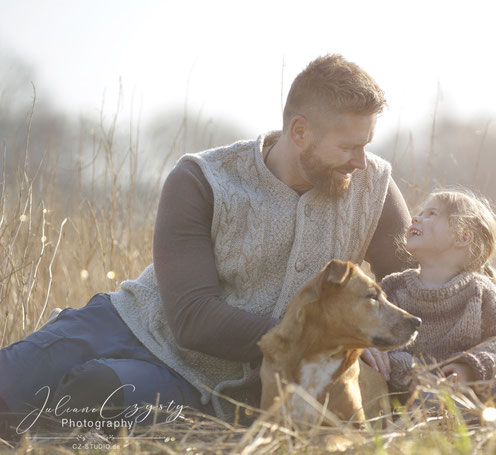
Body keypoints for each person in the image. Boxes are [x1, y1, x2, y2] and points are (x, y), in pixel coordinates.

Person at [0, 54, 412, 437]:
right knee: (7, 387)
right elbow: (193, 318)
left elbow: (414, 289)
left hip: (199, 385)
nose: (361, 162)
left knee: (94, 396)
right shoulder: (202, 179)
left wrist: (397, 355)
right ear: (300, 131)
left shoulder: (373, 188)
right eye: (347, 146)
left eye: (366, 144)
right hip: (121, 325)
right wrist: (324, 342)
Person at [362, 189, 496, 406]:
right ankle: (458, 423)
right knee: (432, 401)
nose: (415, 218)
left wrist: (470, 368)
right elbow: (379, 342)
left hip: (471, 391)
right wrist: (410, 373)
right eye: (420, 213)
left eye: (431, 213)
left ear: (462, 237)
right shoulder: (393, 289)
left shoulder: (479, 290)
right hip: (416, 396)